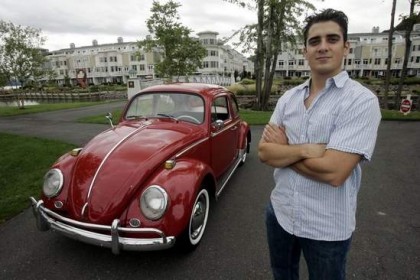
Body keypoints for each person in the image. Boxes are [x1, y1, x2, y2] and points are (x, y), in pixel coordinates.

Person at [258, 9, 381, 280]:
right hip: (280, 212)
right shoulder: (288, 98)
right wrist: (304, 149)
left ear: (346, 47)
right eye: (315, 41)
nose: (323, 47)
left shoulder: (361, 101)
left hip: (326, 226)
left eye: (332, 39)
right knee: (282, 274)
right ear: (305, 50)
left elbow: (334, 172)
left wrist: (286, 149)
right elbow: (265, 152)